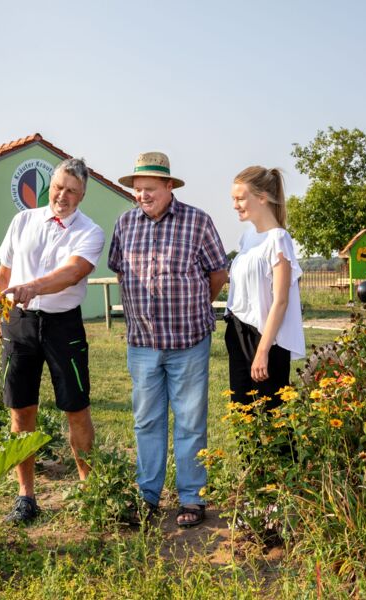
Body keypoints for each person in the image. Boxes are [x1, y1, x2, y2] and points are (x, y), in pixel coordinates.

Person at [0, 158, 105, 525]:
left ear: (82, 195)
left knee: (76, 408)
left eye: (72, 192)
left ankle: (90, 493)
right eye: (58, 187)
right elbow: (2, 276)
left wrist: (33, 286)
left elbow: (72, 273)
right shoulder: (23, 221)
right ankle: (26, 496)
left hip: (63, 325)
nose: (62, 196)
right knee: (21, 411)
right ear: (51, 183)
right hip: (18, 323)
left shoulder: (89, 231)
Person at [108, 152, 227, 528]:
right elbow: (119, 272)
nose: (142, 195)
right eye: (137, 189)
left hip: (188, 340)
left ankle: (192, 498)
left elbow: (218, 273)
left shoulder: (198, 221)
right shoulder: (125, 224)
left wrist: (194, 307)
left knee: (191, 422)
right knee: (146, 421)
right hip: (142, 342)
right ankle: (148, 495)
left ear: (169, 187)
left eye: (149, 189)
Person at [225, 166, 305, 409]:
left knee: (272, 418)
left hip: (266, 339)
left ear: (262, 198)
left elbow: (281, 301)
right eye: (233, 199)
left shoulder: (278, 239)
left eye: (240, 198)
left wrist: (262, 351)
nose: (235, 205)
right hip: (238, 331)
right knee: (242, 413)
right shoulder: (247, 237)